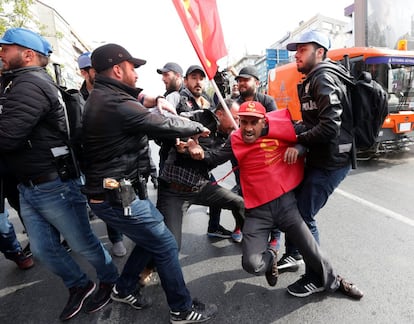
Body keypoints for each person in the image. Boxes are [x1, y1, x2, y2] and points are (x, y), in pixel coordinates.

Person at [81, 42, 217, 323]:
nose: (137, 74)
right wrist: (198, 127)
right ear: (118, 70)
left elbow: (138, 99)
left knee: (151, 239)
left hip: (122, 192)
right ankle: (181, 308)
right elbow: (162, 125)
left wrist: (156, 99)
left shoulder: (106, 95)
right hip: (116, 194)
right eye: (133, 68)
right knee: (165, 244)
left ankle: (123, 287)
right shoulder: (114, 103)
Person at [0, 28, 120, 321]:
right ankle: (80, 285)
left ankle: (111, 281)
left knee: (83, 243)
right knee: (42, 249)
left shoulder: (29, 85)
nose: (1, 53)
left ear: (27, 55)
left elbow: (6, 137)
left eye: (6, 48)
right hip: (31, 186)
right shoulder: (14, 83)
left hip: (53, 185)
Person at [189, 100, 363, 299]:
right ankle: (271, 258)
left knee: (312, 252)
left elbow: (312, 134)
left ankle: (336, 282)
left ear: (264, 121)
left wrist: (299, 148)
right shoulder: (235, 139)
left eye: (253, 122)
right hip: (257, 213)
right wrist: (194, 146)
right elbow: (212, 158)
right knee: (251, 264)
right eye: (243, 122)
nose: (247, 128)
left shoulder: (282, 129)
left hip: (286, 206)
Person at [275, 30, 355, 273]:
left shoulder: (323, 78)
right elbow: (313, 122)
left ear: (319, 52)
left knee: (304, 215)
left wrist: (298, 140)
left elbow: (330, 127)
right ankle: (294, 254)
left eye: (302, 50)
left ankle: (317, 276)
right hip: (321, 157)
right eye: (296, 51)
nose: (296, 56)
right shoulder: (313, 78)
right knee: (294, 207)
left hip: (331, 161)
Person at [78, 52, 127, 257]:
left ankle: (123, 235)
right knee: (104, 200)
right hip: (91, 166)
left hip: (117, 163)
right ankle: (113, 237)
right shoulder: (75, 99)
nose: (99, 73)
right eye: (94, 70)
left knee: (122, 199)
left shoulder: (114, 92)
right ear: (84, 72)